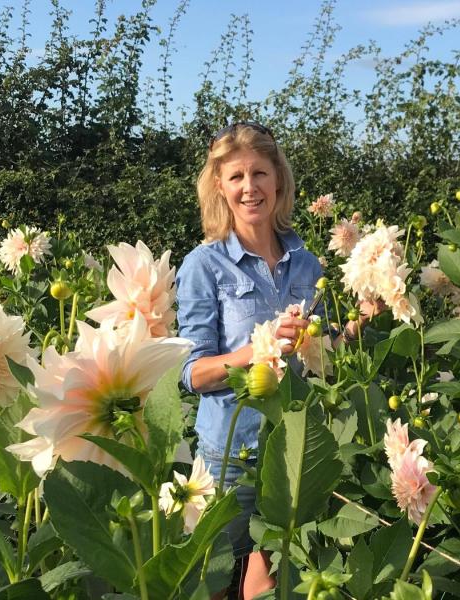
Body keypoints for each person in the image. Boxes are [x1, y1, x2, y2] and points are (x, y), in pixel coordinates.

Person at [176, 122, 373, 599]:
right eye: (237, 177)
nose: (250, 188)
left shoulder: (306, 262)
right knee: (217, 581)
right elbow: (192, 374)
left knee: (274, 584)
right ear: (219, 187)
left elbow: (323, 355)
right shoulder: (204, 265)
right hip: (231, 452)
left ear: (278, 181)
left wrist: (360, 323)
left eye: (259, 174)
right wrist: (258, 351)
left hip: (295, 448)